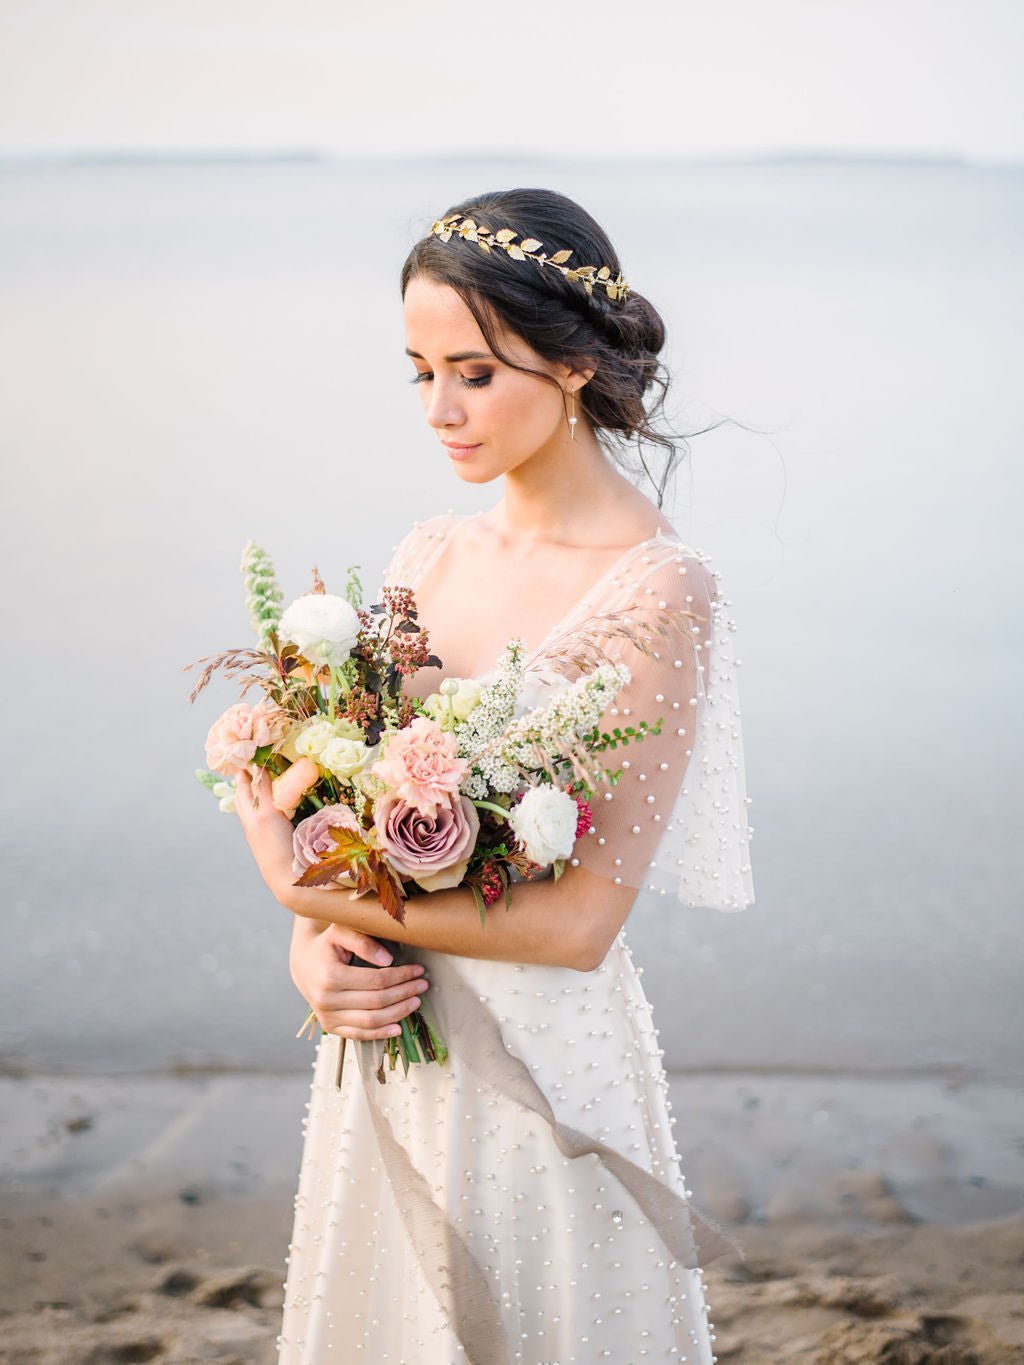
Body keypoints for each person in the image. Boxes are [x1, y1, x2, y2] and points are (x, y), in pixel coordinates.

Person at [235, 187, 755, 1364]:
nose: (440, 409)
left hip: (542, 1068)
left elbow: (576, 923)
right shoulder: (431, 556)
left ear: (573, 363)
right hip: (388, 1038)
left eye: (474, 371)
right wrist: (317, 956)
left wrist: (300, 892)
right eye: (419, 372)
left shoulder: (654, 591)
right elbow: (348, 812)